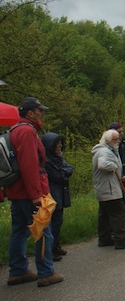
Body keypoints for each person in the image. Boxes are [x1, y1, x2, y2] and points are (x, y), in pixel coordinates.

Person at [6, 97, 64, 287]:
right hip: (30, 193)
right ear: (30, 113)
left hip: (16, 191)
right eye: (40, 111)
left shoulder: (14, 130)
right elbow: (29, 165)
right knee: (43, 232)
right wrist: (36, 195)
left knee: (19, 232)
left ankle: (18, 271)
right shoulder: (27, 132)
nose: (42, 114)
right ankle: (46, 272)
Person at [92, 129, 125, 249]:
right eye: (115, 139)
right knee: (119, 212)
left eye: (118, 139)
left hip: (105, 187)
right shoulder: (104, 152)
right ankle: (121, 239)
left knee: (105, 214)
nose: (117, 141)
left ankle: (104, 238)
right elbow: (102, 164)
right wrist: (115, 166)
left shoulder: (108, 150)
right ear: (107, 140)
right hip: (109, 189)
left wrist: (120, 175)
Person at [41, 132, 74, 261]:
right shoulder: (47, 161)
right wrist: (65, 171)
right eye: (57, 143)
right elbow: (60, 175)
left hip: (59, 193)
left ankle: (56, 246)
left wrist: (64, 169)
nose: (60, 145)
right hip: (53, 194)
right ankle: (51, 249)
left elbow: (68, 169)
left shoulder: (57, 158)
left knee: (58, 222)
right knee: (53, 223)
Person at [109, 122, 125, 235]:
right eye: (119, 132)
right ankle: (119, 231)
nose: (121, 134)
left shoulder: (124, 145)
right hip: (117, 181)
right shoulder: (112, 147)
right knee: (120, 208)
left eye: (122, 131)